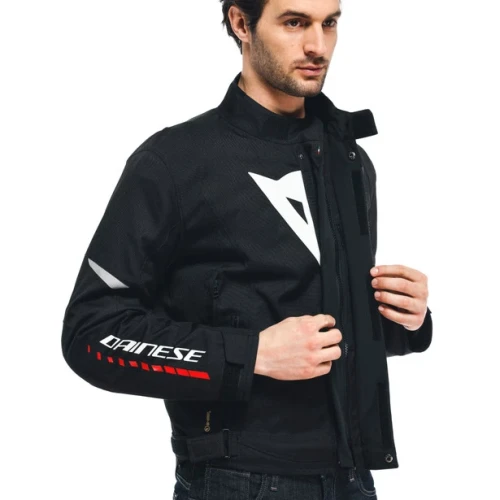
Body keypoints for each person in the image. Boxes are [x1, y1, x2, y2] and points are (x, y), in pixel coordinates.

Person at [61, 0, 433, 498]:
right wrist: (251, 354)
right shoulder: (173, 161)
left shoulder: (350, 161)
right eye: (294, 22)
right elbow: (91, 335)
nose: (317, 46)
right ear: (241, 23)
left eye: (329, 23)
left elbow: (323, 323)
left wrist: (403, 319)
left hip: (352, 479)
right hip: (236, 481)